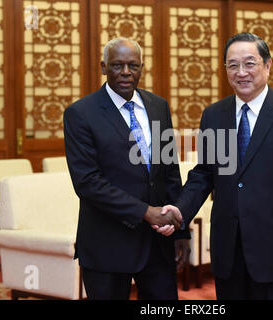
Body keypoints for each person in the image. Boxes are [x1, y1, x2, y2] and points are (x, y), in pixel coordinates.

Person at [158, 33, 273, 300]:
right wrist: (179, 210)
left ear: (267, 65)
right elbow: (205, 173)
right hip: (228, 249)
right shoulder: (214, 114)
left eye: (249, 63)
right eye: (233, 65)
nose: (241, 72)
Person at [63, 37, 190, 300]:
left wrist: (180, 230)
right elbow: (87, 182)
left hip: (158, 244)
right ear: (103, 67)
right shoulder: (81, 114)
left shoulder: (158, 106)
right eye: (117, 65)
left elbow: (169, 171)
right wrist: (145, 212)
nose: (125, 73)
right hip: (107, 244)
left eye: (133, 66)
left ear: (141, 68)